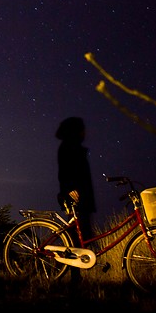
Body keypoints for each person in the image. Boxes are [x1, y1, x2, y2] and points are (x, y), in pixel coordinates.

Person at [55, 117, 97, 284]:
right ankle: (74, 275)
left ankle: (77, 274)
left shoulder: (73, 146)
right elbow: (64, 171)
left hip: (82, 195)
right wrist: (70, 188)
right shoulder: (67, 147)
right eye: (81, 129)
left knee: (82, 235)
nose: (84, 132)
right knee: (75, 237)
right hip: (75, 196)